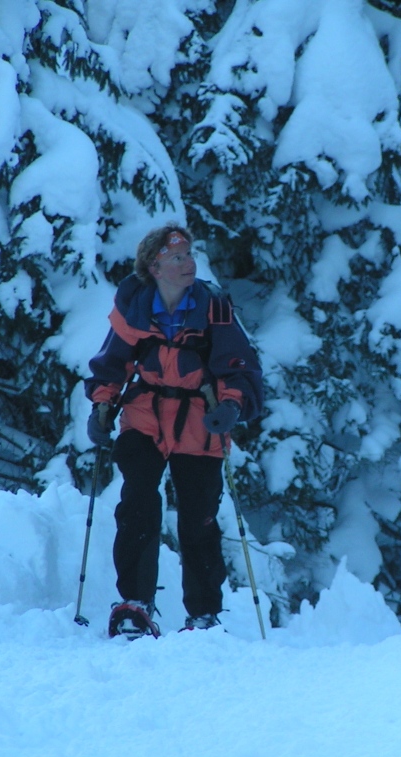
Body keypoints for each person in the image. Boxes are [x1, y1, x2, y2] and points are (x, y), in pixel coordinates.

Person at [85, 223, 263, 638]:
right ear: (155, 267)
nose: (189, 264)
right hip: (144, 415)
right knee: (137, 505)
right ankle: (134, 604)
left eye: (189, 255)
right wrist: (102, 405)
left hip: (200, 420)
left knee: (198, 518)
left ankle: (203, 614)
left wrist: (232, 405)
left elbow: (239, 366)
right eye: (178, 258)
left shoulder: (213, 307)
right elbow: (111, 363)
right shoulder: (133, 306)